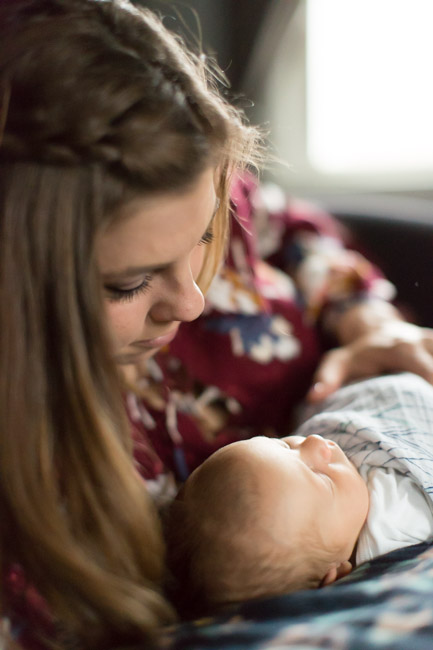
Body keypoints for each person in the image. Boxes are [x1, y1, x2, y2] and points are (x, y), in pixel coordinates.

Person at [1, 0, 433, 648]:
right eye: (128, 282)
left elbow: (295, 230)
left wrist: (365, 318)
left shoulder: (186, 187)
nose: (193, 301)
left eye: (206, 233)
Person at [164, 372, 433, 619]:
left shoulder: (318, 502)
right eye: (324, 480)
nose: (316, 442)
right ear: (334, 576)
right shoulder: (395, 525)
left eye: (284, 443)